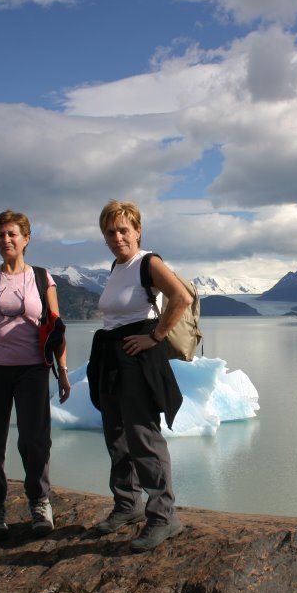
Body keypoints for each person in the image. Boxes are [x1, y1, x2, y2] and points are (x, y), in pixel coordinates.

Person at [90, 199, 190, 553]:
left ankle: (164, 517)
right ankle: (127, 505)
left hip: (138, 354)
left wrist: (155, 336)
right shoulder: (117, 267)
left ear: (137, 230)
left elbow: (181, 296)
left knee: (143, 436)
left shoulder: (148, 262)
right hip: (113, 354)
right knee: (116, 434)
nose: (117, 236)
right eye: (110, 231)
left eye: (123, 229)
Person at [0, 210, 71, 540]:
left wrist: (64, 372)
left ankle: (39, 500)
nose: (6, 240)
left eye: (13, 234)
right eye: (0, 234)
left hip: (31, 368)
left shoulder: (41, 277)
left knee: (34, 439)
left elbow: (56, 328)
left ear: (26, 239)